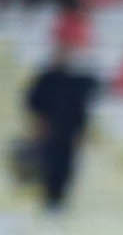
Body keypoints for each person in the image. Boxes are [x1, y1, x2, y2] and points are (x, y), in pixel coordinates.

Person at [23, 42, 100, 211]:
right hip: (49, 132)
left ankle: (59, 201)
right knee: (46, 165)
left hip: (69, 133)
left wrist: (81, 130)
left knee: (65, 166)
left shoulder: (77, 82)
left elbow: (86, 103)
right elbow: (33, 102)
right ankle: (47, 199)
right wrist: (39, 122)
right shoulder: (46, 79)